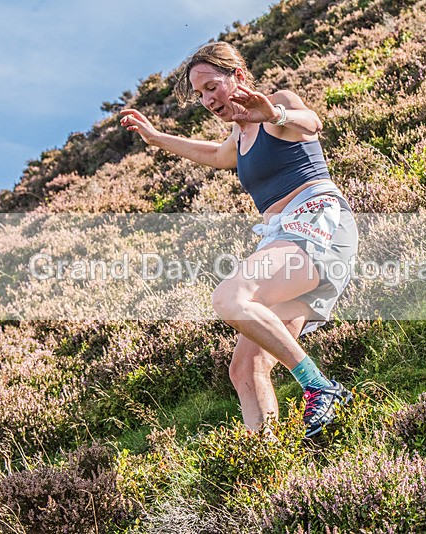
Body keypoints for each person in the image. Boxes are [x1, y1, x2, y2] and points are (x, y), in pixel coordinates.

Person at [120, 41, 358, 438]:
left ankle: (319, 386)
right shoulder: (239, 134)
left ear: (239, 77)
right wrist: (157, 137)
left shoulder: (275, 106)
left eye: (212, 86)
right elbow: (217, 156)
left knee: (230, 298)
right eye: (200, 94)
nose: (207, 99)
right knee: (245, 368)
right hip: (284, 238)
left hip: (317, 224)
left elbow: (311, 122)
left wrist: (274, 112)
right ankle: (264, 460)